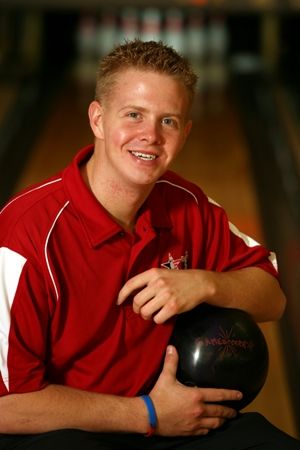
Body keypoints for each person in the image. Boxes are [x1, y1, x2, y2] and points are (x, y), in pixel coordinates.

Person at [0, 39, 299, 450]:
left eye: (169, 121)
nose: (151, 136)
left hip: (172, 418)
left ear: (185, 133)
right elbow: (7, 405)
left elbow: (274, 297)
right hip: (68, 429)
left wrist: (207, 283)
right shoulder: (25, 235)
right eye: (134, 115)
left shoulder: (188, 205)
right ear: (98, 119)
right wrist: (149, 415)